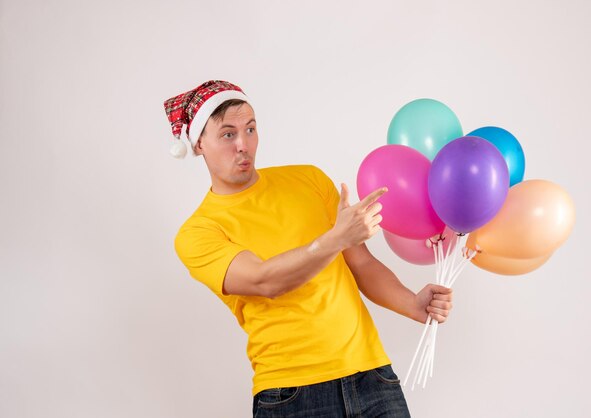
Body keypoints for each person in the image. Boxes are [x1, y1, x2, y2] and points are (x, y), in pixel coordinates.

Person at [164, 80, 453, 417]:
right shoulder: (198, 232)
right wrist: (337, 237)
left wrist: (412, 303)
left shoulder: (309, 180)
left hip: (372, 377)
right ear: (199, 144)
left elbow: (361, 264)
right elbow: (264, 280)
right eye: (228, 134)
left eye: (251, 129)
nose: (244, 144)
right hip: (291, 395)